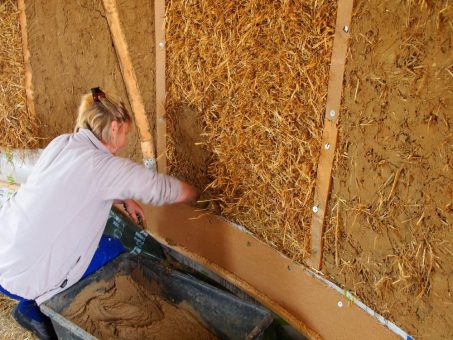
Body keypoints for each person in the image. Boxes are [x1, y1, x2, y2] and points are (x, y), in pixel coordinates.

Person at [0, 88, 199, 339]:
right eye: (126, 132)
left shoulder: (63, 143)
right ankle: (33, 310)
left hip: (4, 248)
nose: (125, 141)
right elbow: (158, 188)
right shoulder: (103, 165)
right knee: (114, 250)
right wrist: (194, 194)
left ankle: (35, 301)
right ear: (114, 127)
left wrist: (124, 198)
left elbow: (78, 185)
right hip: (25, 275)